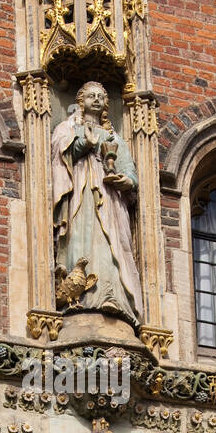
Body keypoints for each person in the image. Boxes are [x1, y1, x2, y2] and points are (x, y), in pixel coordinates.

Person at [51, 80, 143, 323]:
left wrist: (126, 180)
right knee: (80, 238)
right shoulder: (67, 127)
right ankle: (78, 296)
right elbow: (60, 155)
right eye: (91, 95)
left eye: (101, 96)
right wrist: (85, 144)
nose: (96, 100)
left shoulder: (114, 138)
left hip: (109, 197)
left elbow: (129, 171)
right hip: (79, 193)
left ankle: (111, 296)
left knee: (110, 242)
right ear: (80, 101)